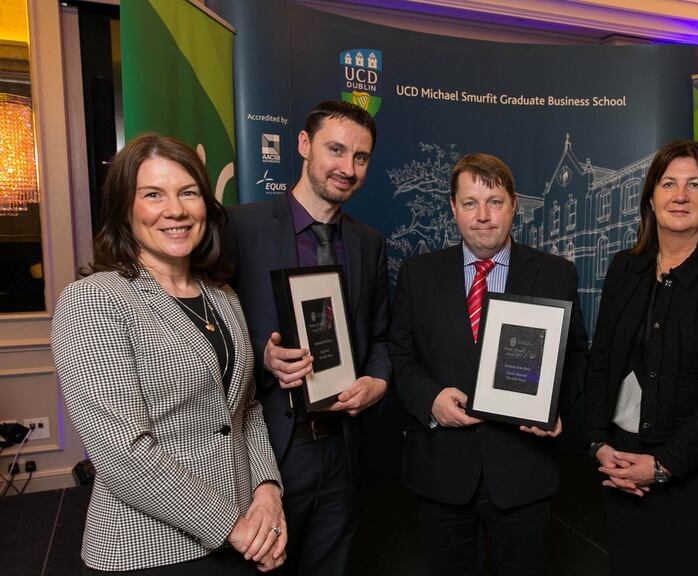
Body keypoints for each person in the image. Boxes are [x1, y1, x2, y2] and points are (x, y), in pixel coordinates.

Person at [51, 134, 286, 574]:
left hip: (243, 533)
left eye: (188, 193)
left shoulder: (222, 295)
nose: (175, 210)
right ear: (125, 208)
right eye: (153, 195)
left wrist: (268, 492)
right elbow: (123, 452)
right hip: (150, 548)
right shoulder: (93, 300)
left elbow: (246, 409)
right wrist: (230, 526)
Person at [388, 153, 588, 576]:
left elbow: (577, 356)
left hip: (522, 472)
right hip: (443, 474)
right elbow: (399, 355)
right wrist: (430, 399)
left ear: (514, 205)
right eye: (470, 203)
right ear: (453, 208)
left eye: (494, 202)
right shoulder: (418, 273)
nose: (483, 216)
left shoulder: (556, 273)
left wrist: (555, 406)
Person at [584, 140, 698, 575]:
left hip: (692, 473)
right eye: (668, 183)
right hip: (621, 462)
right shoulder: (625, 268)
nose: (679, 195)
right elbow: (601, 359)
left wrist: (664, 465)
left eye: (694, 184)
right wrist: (597, 443)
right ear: (651, 197)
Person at [228, 100, 390, 575]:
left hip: (342, 446)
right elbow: (206, 329)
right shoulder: (241, 227)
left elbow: (379, 336)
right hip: (269, 449)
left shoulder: (370, 243)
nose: (347, 168)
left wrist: (377, 382)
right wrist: (263, 356)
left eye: (360, 157)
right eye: (335, 150)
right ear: (303, 145)